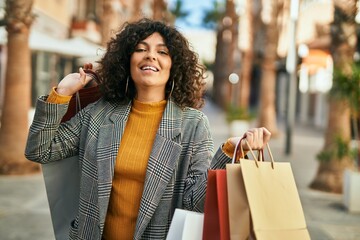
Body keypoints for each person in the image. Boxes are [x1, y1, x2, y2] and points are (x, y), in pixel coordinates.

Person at [25, 18, 271, 240]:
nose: (150, 56)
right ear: (127, 62)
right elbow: (40, 150)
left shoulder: (192, 124)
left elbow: (195, 202)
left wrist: (230, 151)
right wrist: (62, 93)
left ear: (174, 66)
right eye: (141, 49)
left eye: (162, 52)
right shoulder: (101, 112)